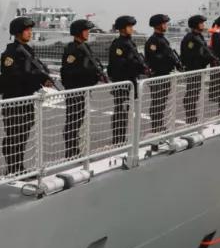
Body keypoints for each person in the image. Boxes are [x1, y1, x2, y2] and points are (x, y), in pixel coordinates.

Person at [0, 17, 54, 175]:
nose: (30, 33)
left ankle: (19, 166)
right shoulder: (10, 54)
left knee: (23, 134)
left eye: (30, 30)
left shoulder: (28, 51)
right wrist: (36, 79)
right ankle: (12, 167)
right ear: (17, 32)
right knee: (13, 135)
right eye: (27, 30)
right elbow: (15, 77)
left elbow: (36, 69)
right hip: (14, 100)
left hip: (27, 99)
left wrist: (44, 79)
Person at [60, 19, 107, 158]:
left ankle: (75, 149)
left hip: (83, 90)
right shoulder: (72, 50)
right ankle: (71, 151)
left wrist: (96, 75)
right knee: (72, 120)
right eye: (85, 30)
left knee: (78, 119)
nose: (88, 33)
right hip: (74, 90)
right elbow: (69, 72)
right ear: (78, 32)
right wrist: (90, 73)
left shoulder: (85, 47)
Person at [107, 16, 148, 145]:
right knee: (120, 111)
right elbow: (120, 65)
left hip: (130, 82)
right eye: (129, 26)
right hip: (122, 83)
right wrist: (136, 66)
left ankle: (122, 137)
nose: (132, 29)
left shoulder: (129, 42)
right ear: (122, 29)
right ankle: (118, 139)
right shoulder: (118, 44)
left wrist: (142, 68)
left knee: (125, 111)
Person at [144, 14, 183, 133]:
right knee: (157, 102)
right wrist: (167, 58)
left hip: (165, 74)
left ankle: (160, 126)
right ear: (158, 25)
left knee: (162, 103)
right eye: (164, 23)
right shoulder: (153, 41)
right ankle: (156, 128)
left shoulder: (163, 39)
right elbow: (154, 59)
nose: (166, 25)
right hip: (157, 75)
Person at [180, 14, 219, 124]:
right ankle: (190, 118)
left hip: (199, 69)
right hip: (193, 70)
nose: (203, 25)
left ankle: (193, 117)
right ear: (195, 25)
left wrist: (210, 58)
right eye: (201, 23)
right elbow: (191, 56)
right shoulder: (190, 38)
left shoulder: (199, 37)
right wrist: (207, 58)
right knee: (191, 94)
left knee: (195, 93)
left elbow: (203, 51)